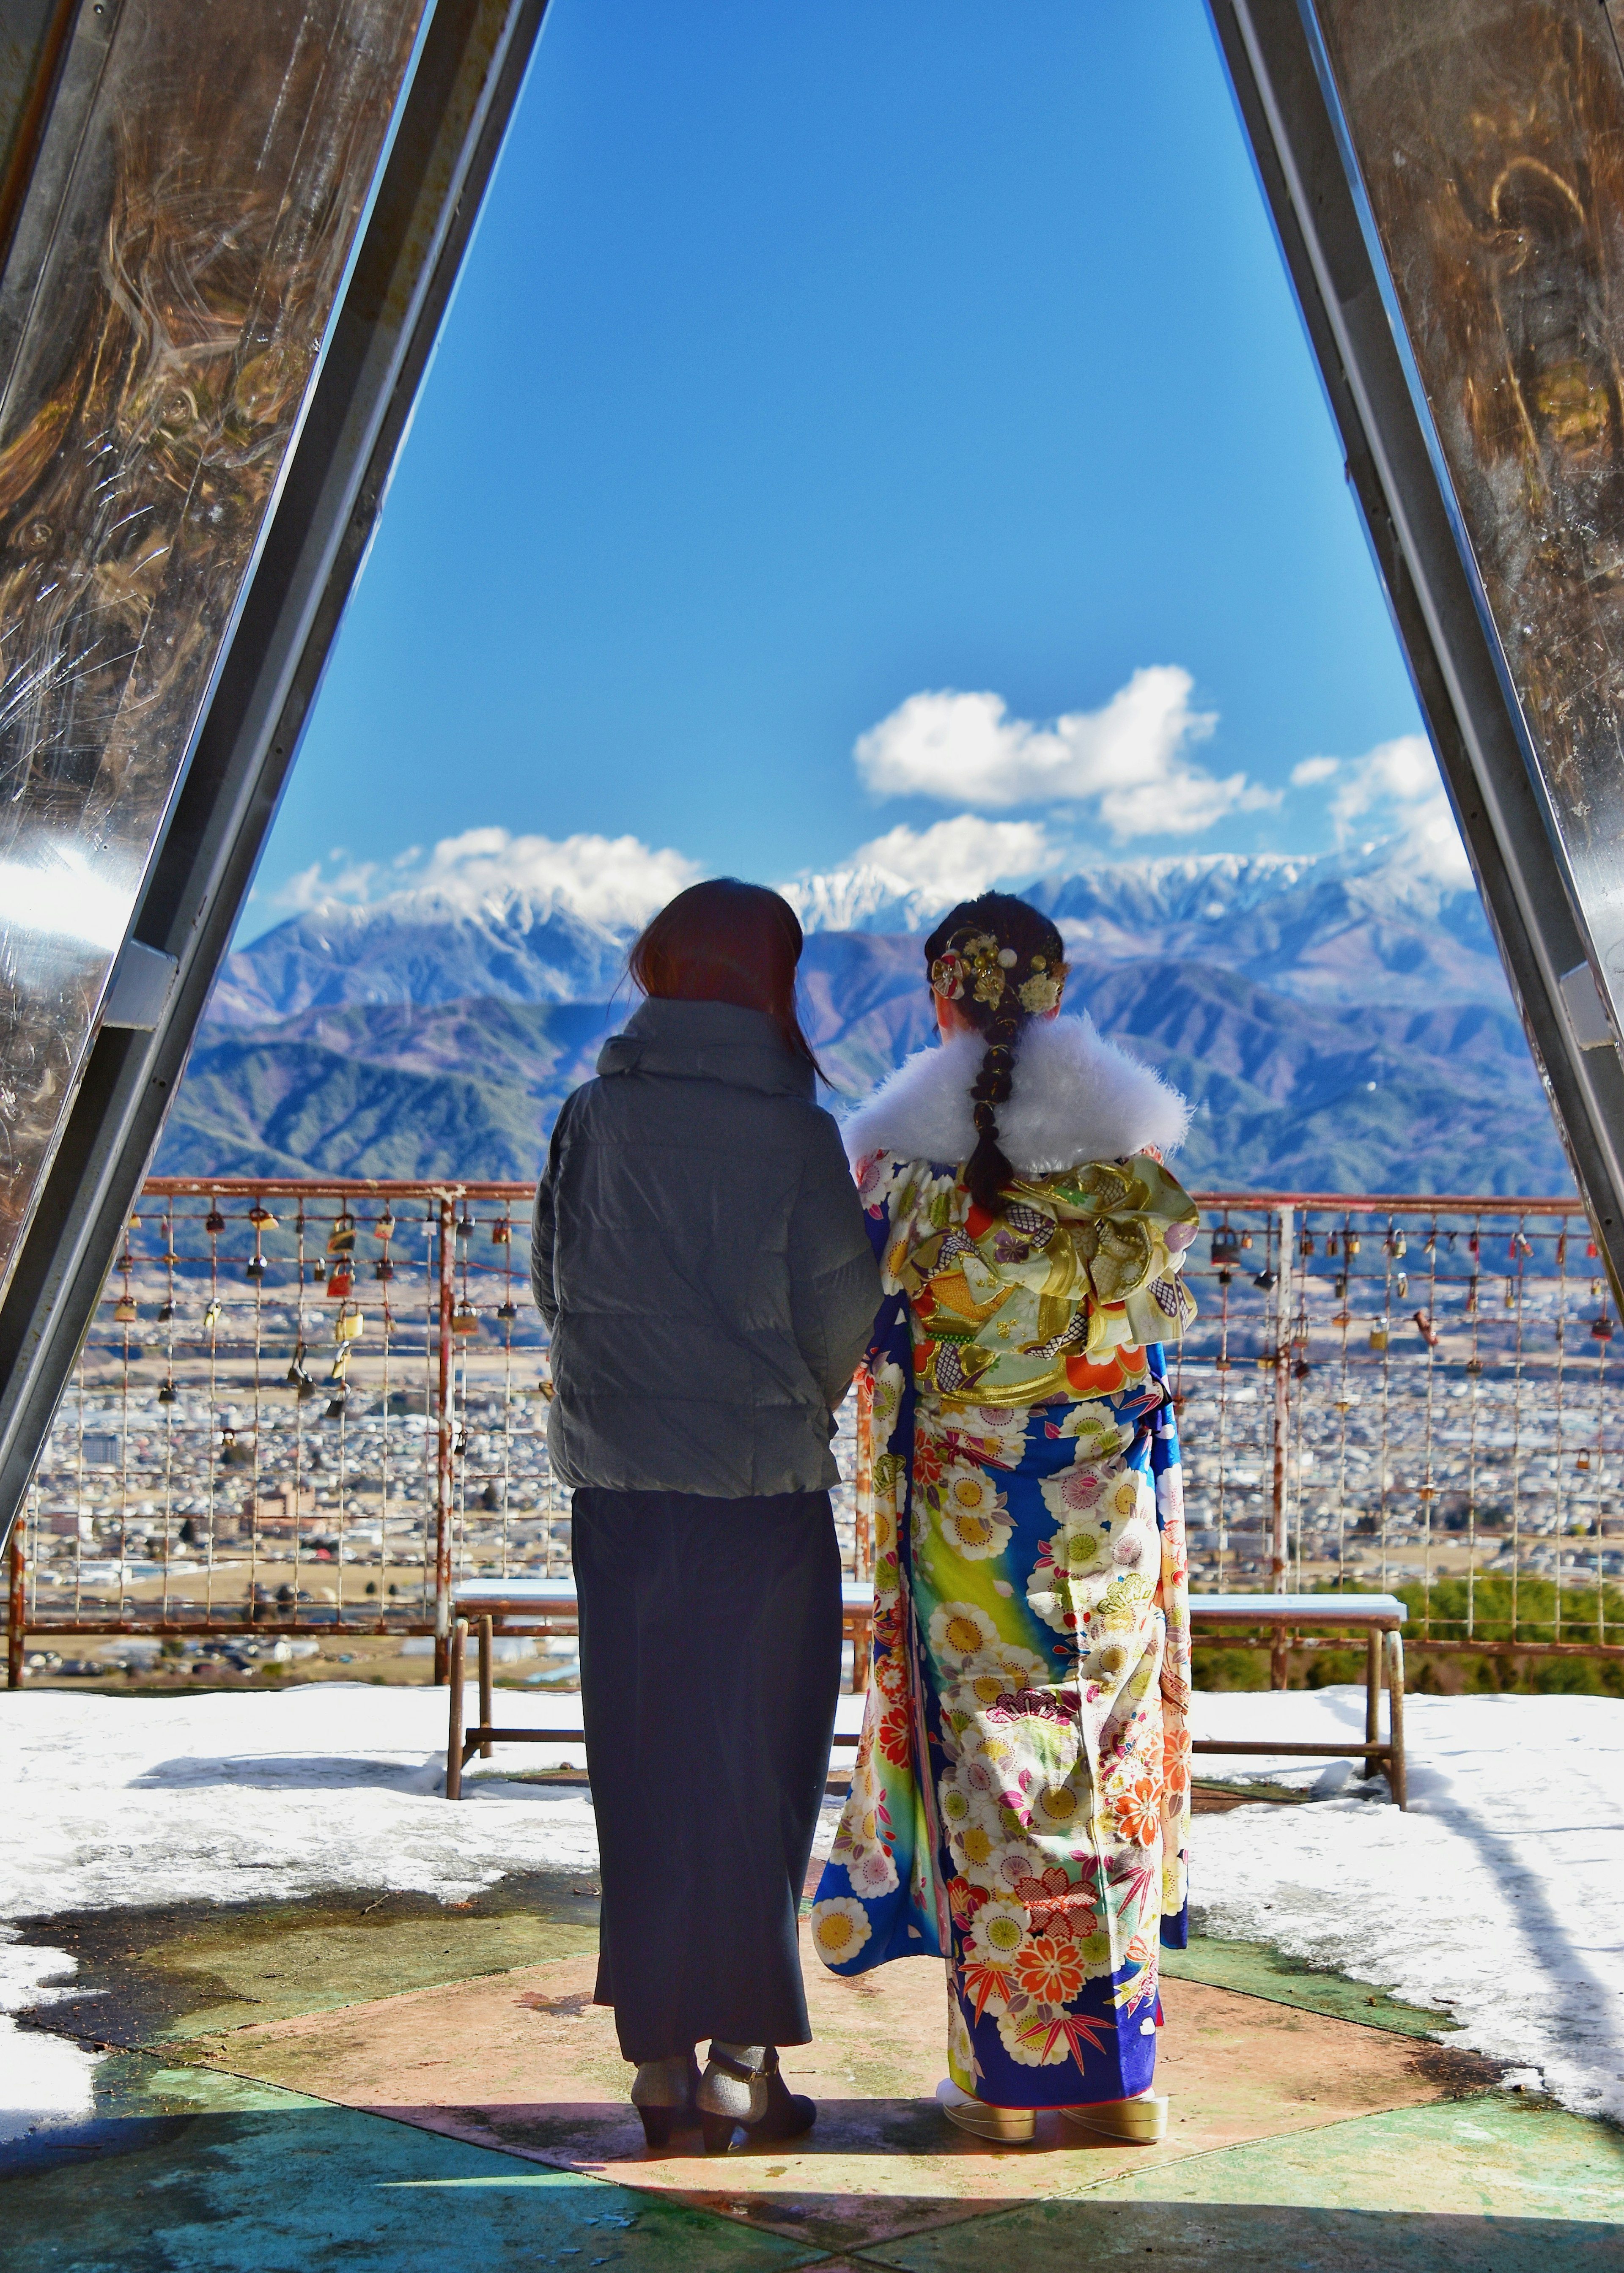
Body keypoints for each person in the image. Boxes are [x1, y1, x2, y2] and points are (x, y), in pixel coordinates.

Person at [807, 891, 1198, 2145]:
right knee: (1112, 1770)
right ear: (1058, 991)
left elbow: (872, 1335)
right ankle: (1123, 2078)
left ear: (939, 1000)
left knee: (996, 1779)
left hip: (972, 1527)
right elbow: (1142, 1358)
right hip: (1109, 1523)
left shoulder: (906, 1170)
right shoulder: (1127, 1163)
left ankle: (1010, 2083)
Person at [531, 877, 881, 2155]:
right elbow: (842, 1322)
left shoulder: (588, 1117)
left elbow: (551, 1282)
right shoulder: (799, 1137)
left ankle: (659, 2068)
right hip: (761, 1501)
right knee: (756, 1771)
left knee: (644, 1769)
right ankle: (746, 2063)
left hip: (618, 1499)